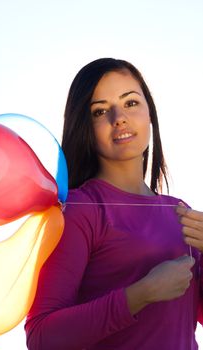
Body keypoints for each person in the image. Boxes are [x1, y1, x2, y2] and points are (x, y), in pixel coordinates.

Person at [25, 58, 203, 349]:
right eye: (100, 111)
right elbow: (42, 336)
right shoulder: (80, 211)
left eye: (130, 103)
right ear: (85, 126)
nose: (119, 117)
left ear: (150, 113)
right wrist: (141, 293)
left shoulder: (181, 212)